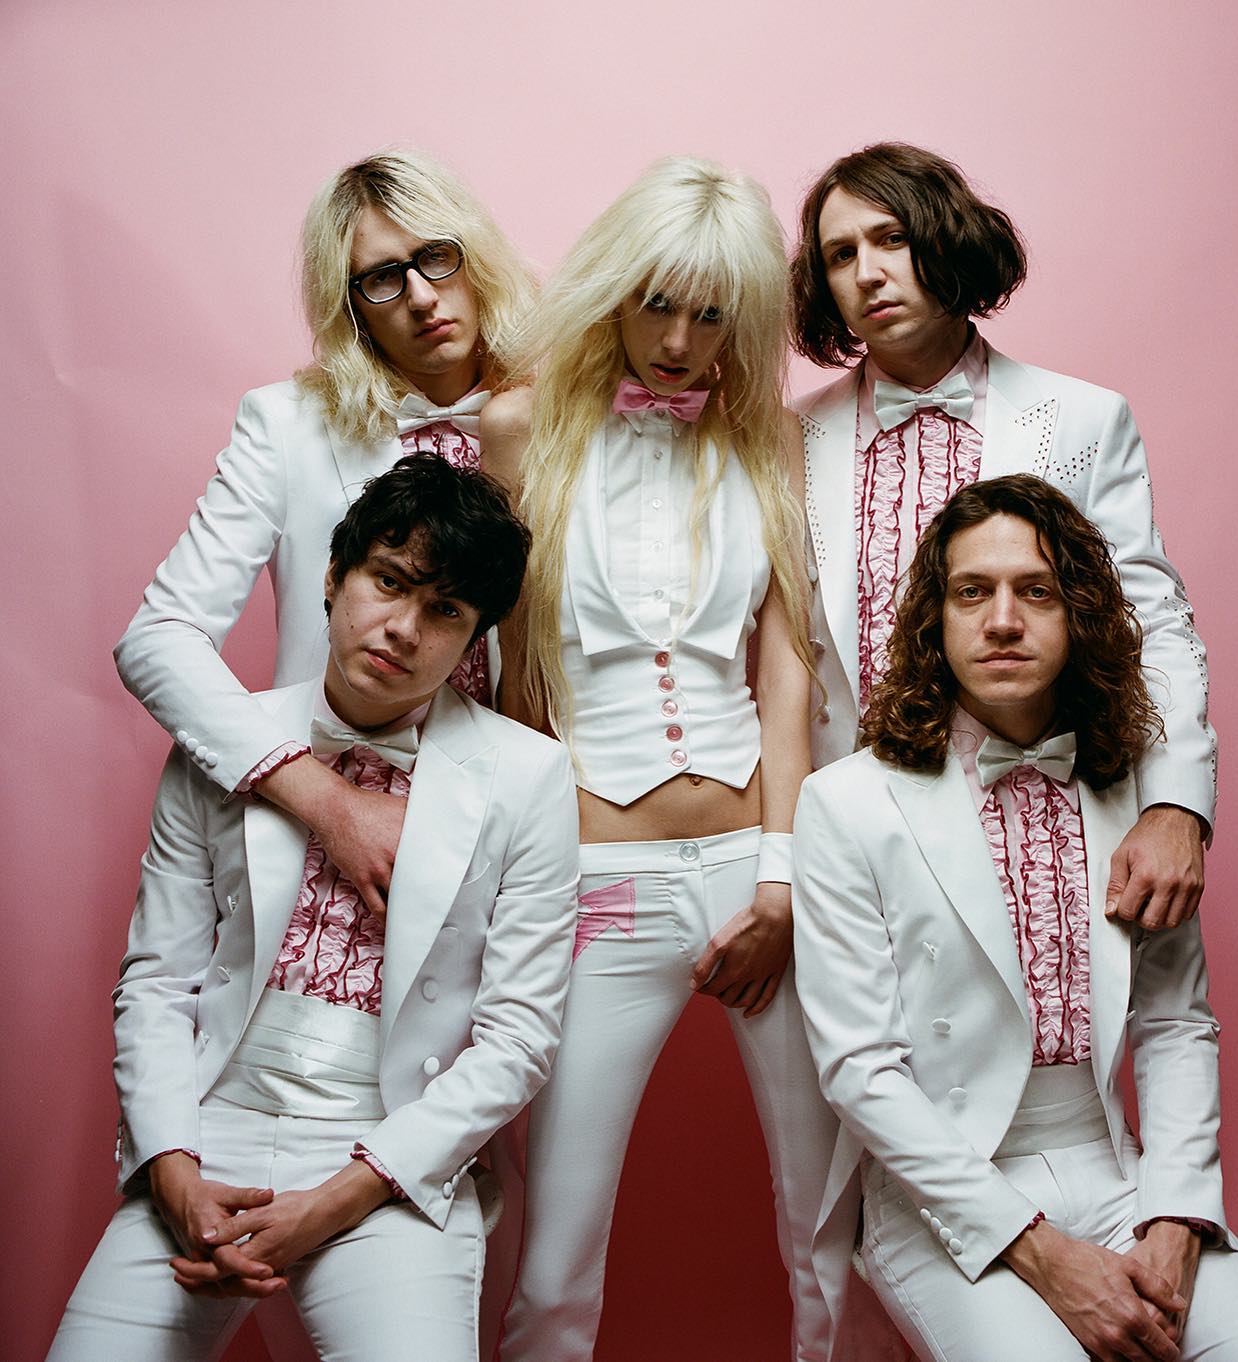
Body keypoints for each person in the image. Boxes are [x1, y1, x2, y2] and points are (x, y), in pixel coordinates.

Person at [48, 456, 578, 1362]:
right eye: (389, 581)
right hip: (205, 1135)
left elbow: (518, 1037)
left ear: (474, 639)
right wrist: (174, 1175)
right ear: (334, 576)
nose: (403, 628)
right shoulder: (225, 739)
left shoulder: (528, 776)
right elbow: (157, 984)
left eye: (446, 610)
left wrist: (339, 1198)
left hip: (387, 1156)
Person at [792, 474, 1238, 1362]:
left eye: (1035, 592)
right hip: (944, 1196)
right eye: (973, 592)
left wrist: (1176, 1219)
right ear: (935, 620)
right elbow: (860, 1071)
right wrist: (1045, 1258)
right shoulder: (845, 802)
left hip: (1120, 1173)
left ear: (1079, 614)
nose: (1003, 620)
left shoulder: (1137, 795)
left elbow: (1175, 1024)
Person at [483, 157, 845, 1361]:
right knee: (553, 1264)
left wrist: (783, 884)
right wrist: (524, 881)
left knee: (825, 1230)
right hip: (598, 880)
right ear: (612, 293)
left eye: (712, 314)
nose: (681, 343)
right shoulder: (521, 431)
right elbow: (517, 687)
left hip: (757, 870)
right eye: (656, 305)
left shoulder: (770, 442)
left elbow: (784, 679)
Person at [791, 142, 1212, 932]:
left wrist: (1176, 804)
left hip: (1044, 812)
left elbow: (1152, 620)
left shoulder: (1083, 420)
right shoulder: (790, 439)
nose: (868, 273)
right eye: (840, 254)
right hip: (857, 835)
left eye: (891, 239)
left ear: (947, 240)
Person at [115, 148, 534, 922]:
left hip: (508, 829)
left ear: (474, 258)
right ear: (352, 307)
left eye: (436, 257)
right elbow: (158, 639)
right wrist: (324, 800)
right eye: (382, 277)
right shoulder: (287, 425)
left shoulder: (562, 417)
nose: (420, 296)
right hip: (329, 832)